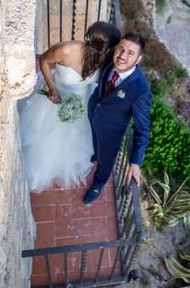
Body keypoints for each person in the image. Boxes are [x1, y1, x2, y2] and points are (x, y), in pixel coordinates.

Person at [20, 22, 121, 192]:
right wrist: (52, 88)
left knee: (70, 137)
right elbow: (44, 59)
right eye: (114, 47)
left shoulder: (106, 60)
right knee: (45, 135)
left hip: (80, 101)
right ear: (106, 46)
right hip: (55, 97)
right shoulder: (66, 49)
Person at [84, 32, 152, 204]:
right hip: (93, 110)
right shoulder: (110, 61)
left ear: (138, 59)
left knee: (105, 163)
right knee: (93, 138)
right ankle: (95, 154)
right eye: (120, 49)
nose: (122, 56)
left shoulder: (141, 90)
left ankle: (98, 185)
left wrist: (135, 162)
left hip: (111, 133)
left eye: (130, 53)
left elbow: (142, 129)